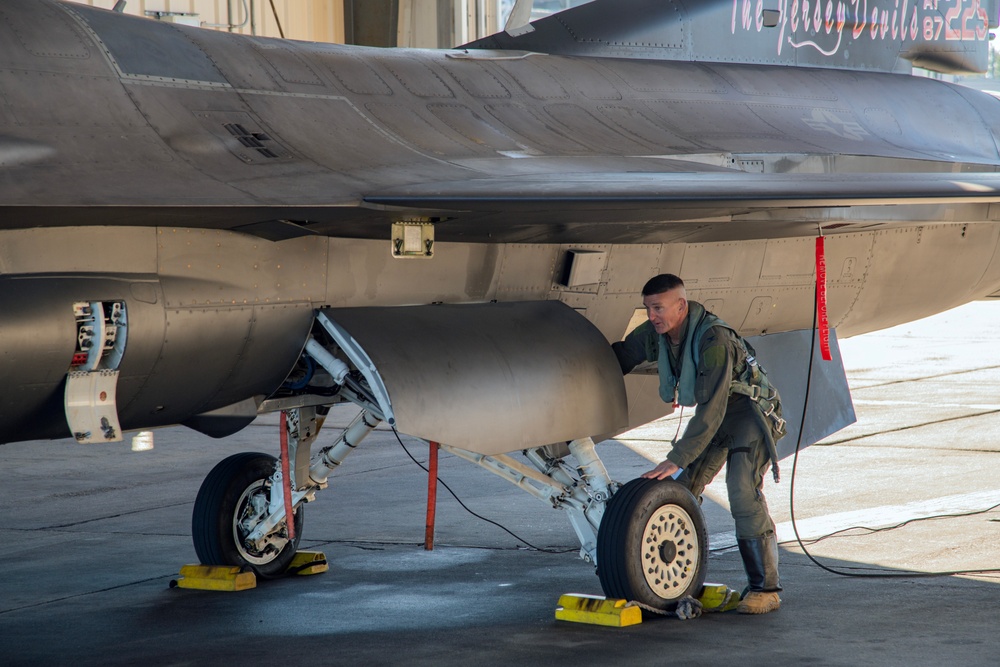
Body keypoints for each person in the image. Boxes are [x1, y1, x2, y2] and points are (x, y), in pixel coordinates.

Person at [612, 274, 786, 615]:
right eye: (648, 308)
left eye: (658, 308)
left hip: (749, 414)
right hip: (716, 416)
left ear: (681, 306)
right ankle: (673, 579)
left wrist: (676, 457)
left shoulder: (714, 339)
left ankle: (766, 589)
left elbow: (714, 406)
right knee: (682, 490)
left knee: (741, 492)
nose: (652, 316)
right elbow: (621, 356)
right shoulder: (657, 333)